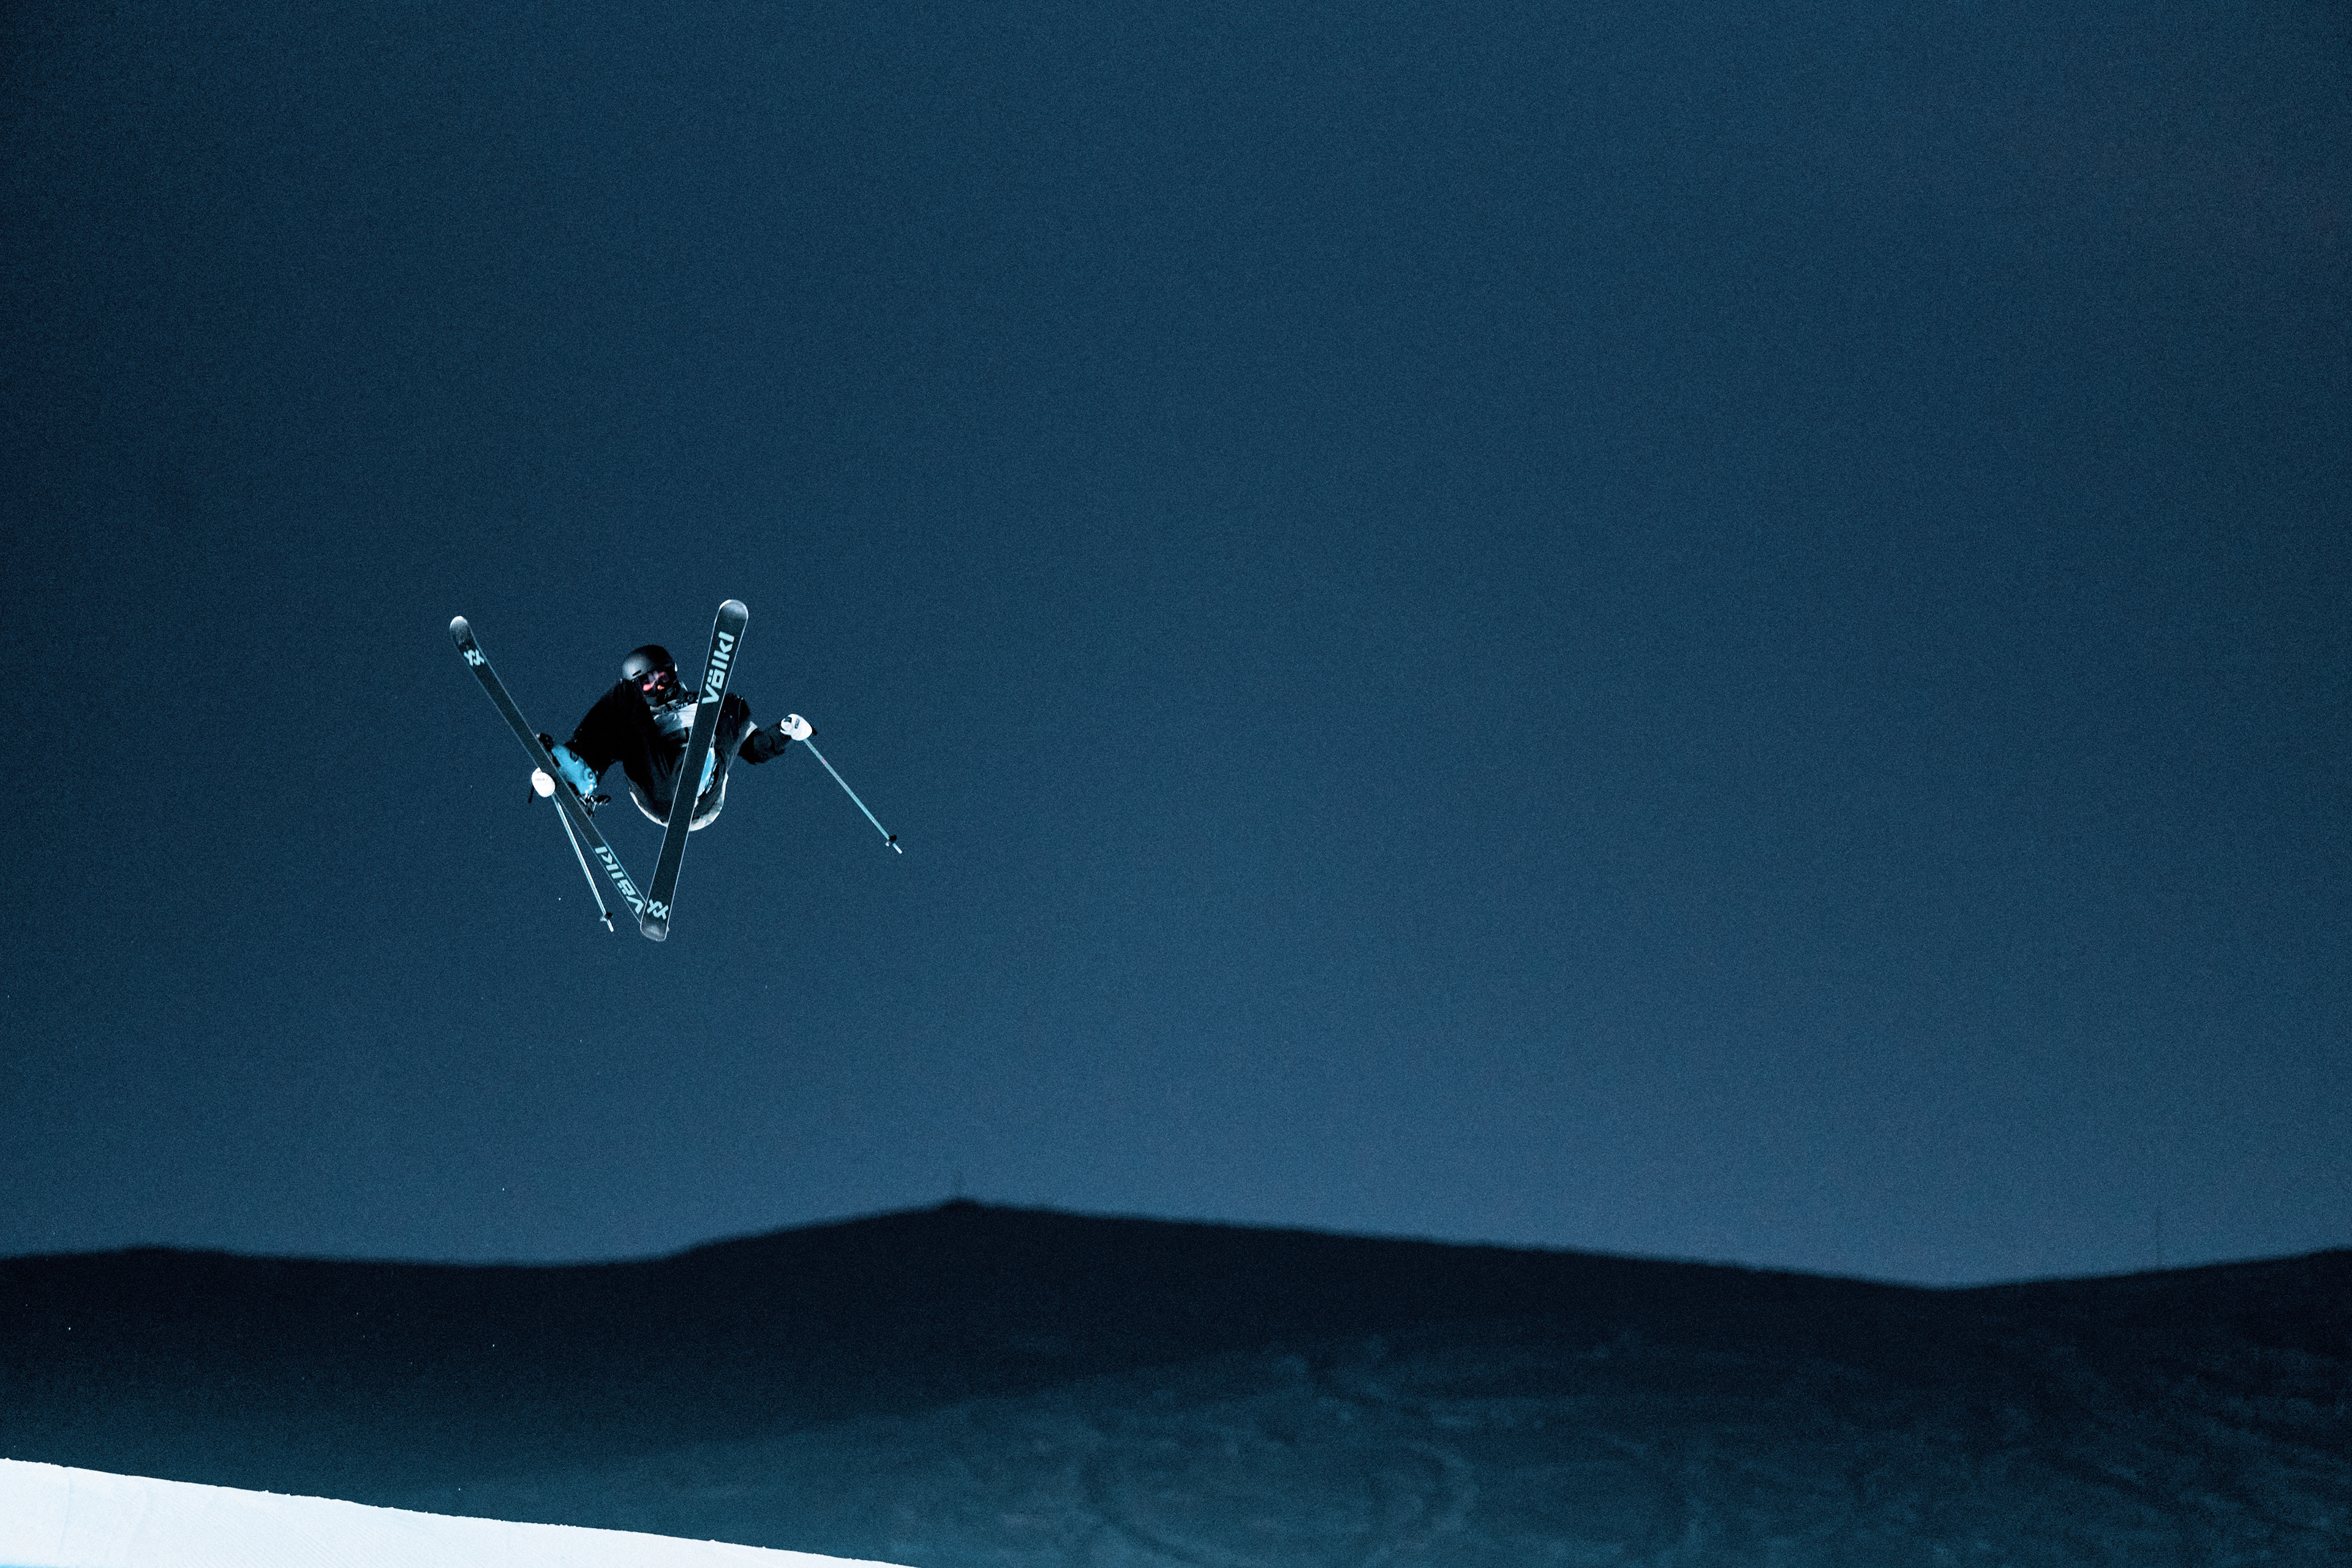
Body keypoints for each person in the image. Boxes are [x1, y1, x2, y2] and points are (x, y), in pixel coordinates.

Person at [533, 644, 809, 831]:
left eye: (662, 677)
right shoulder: (638, 716)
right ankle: (576, 774)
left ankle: (696, 771)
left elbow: (754, 748)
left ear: (673, 672)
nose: (658, 687)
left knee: (733, 705)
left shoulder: (709, 705)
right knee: (624, 695)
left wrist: (785, 732)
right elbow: (607, 737)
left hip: (704, 794)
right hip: (659, 786)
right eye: (647, 683)